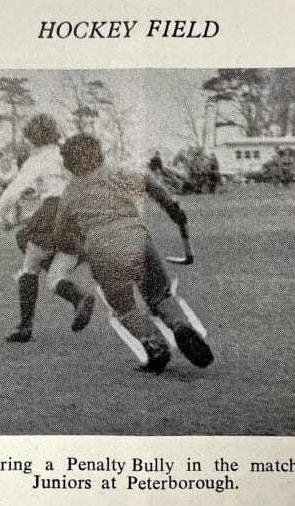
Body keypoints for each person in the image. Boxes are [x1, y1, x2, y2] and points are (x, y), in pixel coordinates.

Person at [52, 134, 214, 374]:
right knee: (160, 296)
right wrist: (172, 208)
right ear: (98, 152)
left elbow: (60, 235)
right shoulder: (117, 174)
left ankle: (155, 346)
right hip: (137, 238)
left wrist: (82, 248)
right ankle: (179, 326)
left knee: (125, 306)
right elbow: (149, 182)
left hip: (100, 248)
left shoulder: (69, 192)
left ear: (68, 163)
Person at [0, 114, 95, 343]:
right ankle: (80, 297)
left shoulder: (36, 161)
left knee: (30, 266)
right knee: (55, 277)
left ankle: (24, 328)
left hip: (54, 211)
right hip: (80, 215)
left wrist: (4, 218)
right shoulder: (68, 154)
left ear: (31, 138)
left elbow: (9, 196)